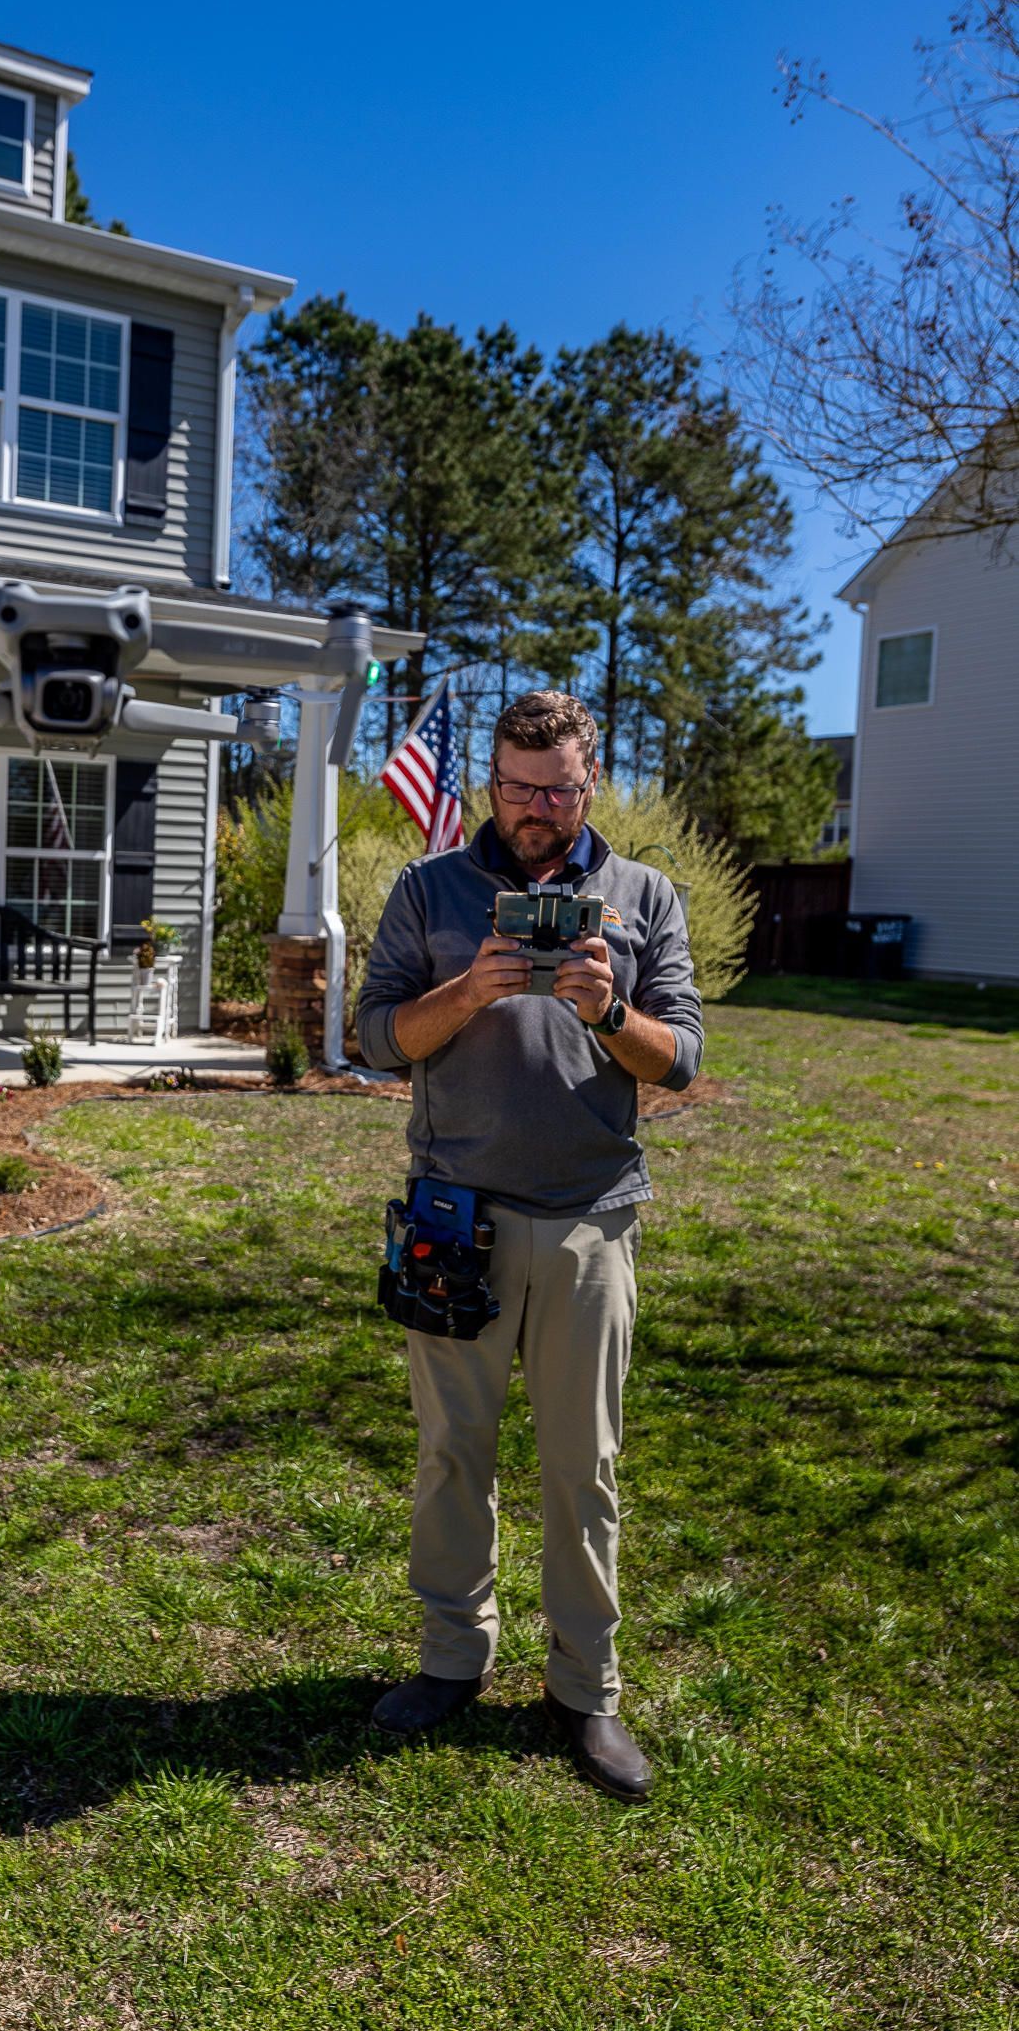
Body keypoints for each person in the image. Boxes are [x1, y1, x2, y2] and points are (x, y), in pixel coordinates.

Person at [354, 690, 703, 1802]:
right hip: (456, 1214)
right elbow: (372, 1039)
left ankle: (584, 1688)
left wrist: (610, 1013)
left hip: (591, 1218)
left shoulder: (643, 895)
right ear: (489, 785)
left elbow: (681, 1060)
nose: (538, 809)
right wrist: (470, 989)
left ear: (591, 781)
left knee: (580, 1466)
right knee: (454, 1452)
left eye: (557, 789)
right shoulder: (430, 890)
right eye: (517, 787)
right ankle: (454, 1656)